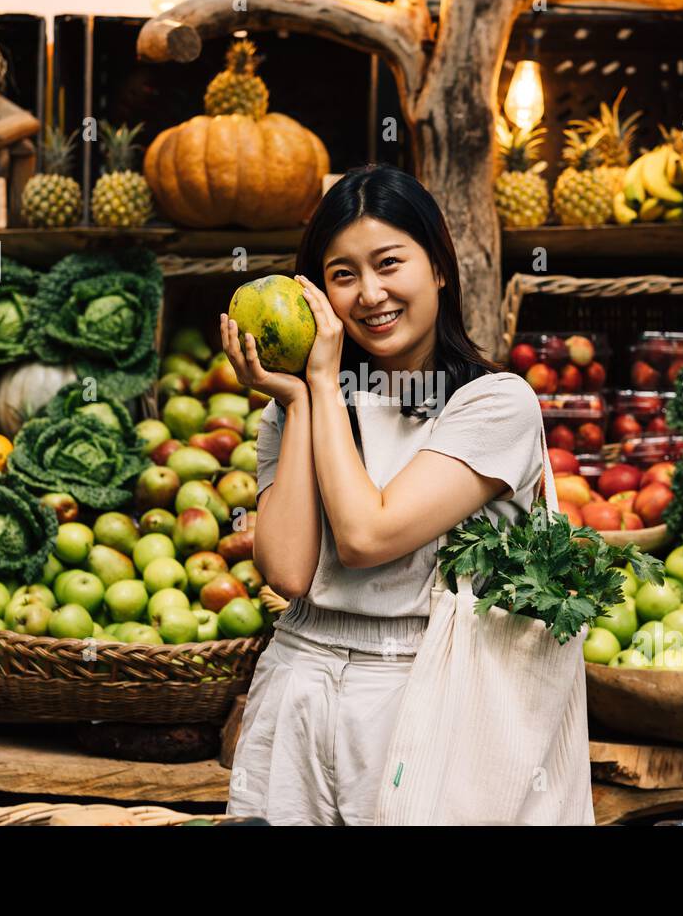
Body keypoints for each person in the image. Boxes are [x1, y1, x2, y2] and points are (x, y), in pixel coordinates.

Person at [221, 164, 546, 826]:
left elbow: (367, 536)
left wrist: (316, 384)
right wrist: (304, 395)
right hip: (298, 685)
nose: (370, 294)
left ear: (440, 269)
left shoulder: (494, 404)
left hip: (422, 692)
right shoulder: (303, 405)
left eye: (389, 263)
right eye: (343, 275)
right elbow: (286, 572)